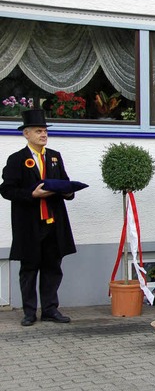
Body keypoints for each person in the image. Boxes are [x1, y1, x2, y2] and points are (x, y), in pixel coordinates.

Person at [0, 110, 77, 326]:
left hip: (53, 222)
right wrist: (31, 194)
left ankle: (50, 309)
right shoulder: (17, 159)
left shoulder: (54, 156)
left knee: (53, 267)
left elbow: (64, 182)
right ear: (26, 133)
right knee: (30, 268)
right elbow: (6, 190)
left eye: (44, 131)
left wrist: (69, 191)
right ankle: (29, 312)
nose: (43, 135)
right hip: (30, 225)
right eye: (38, 131)